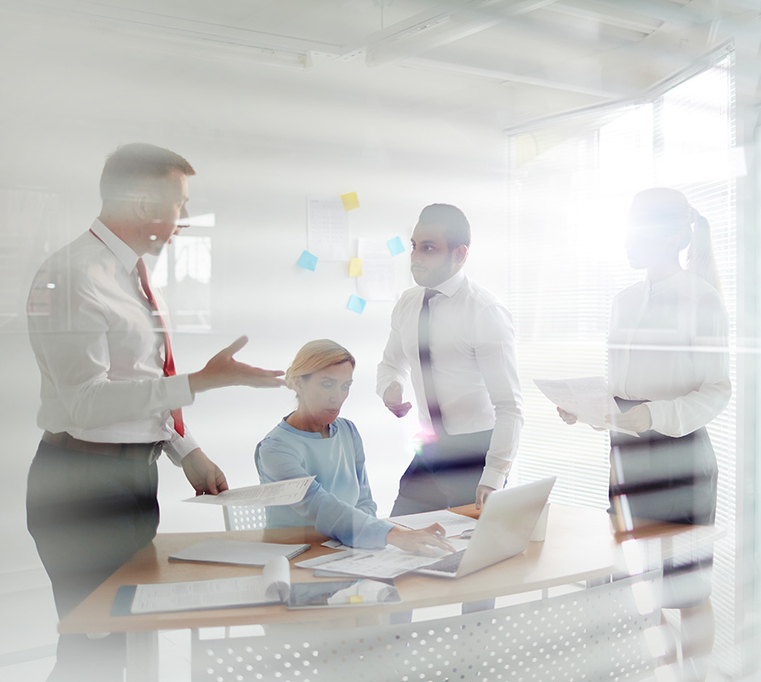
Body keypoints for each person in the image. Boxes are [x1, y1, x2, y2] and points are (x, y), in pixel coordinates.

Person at [25, 143, 286, 682]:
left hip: (131, 478)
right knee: (91, 649)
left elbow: (141, 383)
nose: (184, 220)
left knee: (124, 644)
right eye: (180, 204)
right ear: (144, 204)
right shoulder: (74, 275)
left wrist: (184, 449)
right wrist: (199, 384)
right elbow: (85, 404)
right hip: (80, 487)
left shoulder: (136, 275)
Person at [558, 187, 730, 681]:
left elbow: (717, 390)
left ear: (672, 235)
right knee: (637, 588)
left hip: (680, 460)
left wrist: (654, 416)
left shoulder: (702, 299)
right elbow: (622, 390)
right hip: (626, 458)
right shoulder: (624, 300)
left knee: (688, 592)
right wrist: (587, 408)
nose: (626, 239)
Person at [378, 203, 524, 514]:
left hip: (475, 452)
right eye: (414, 246)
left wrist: (495, 474)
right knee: (399, 536)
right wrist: (390, 387)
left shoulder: (485, 312)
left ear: (460, 254)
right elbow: (391, 362)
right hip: (429, 446)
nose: (415, 258)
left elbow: (510, 407)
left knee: (470, 555)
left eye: (428, 248)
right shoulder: (407, 303)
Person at [255, 339, 454, 553]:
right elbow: (322, 508)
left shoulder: (348, 431)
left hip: (345, 553)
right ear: (299, 382)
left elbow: (364, 502)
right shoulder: (275, 449)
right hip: (294, 557)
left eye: (345, 386)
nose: (337, 397)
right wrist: (393, 535)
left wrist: (365, 549)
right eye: (327, 384)